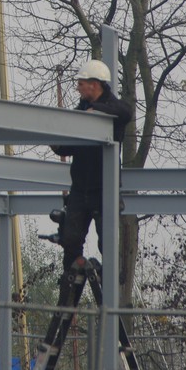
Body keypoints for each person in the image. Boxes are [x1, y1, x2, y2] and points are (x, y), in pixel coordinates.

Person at [51, 59, 133, 275]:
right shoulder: (82, 109)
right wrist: (56, 144)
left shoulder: (113, 107)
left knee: (108, 242)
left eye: (81, 84)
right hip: (80, 189)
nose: (78, 88)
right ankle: (71, 281)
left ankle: (111, 279)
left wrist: (94, 111)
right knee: (71, 240)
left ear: (94, 85)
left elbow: (126, 112)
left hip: (104, 189)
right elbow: (72, 147)